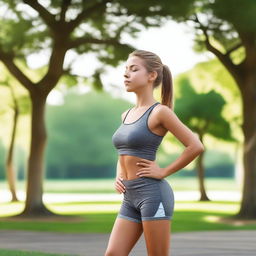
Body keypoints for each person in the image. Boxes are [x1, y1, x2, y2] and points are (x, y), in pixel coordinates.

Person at [105, 50, 204, 256]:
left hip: (153, 195)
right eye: (125, 69)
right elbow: (123, 151)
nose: (126, 74)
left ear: (152, 76)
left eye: (133, 69)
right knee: (113, 254)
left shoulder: (161, 112)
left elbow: (195, 146)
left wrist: (163, 172)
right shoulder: (127, 114)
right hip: (129, 196)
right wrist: (119, 175)